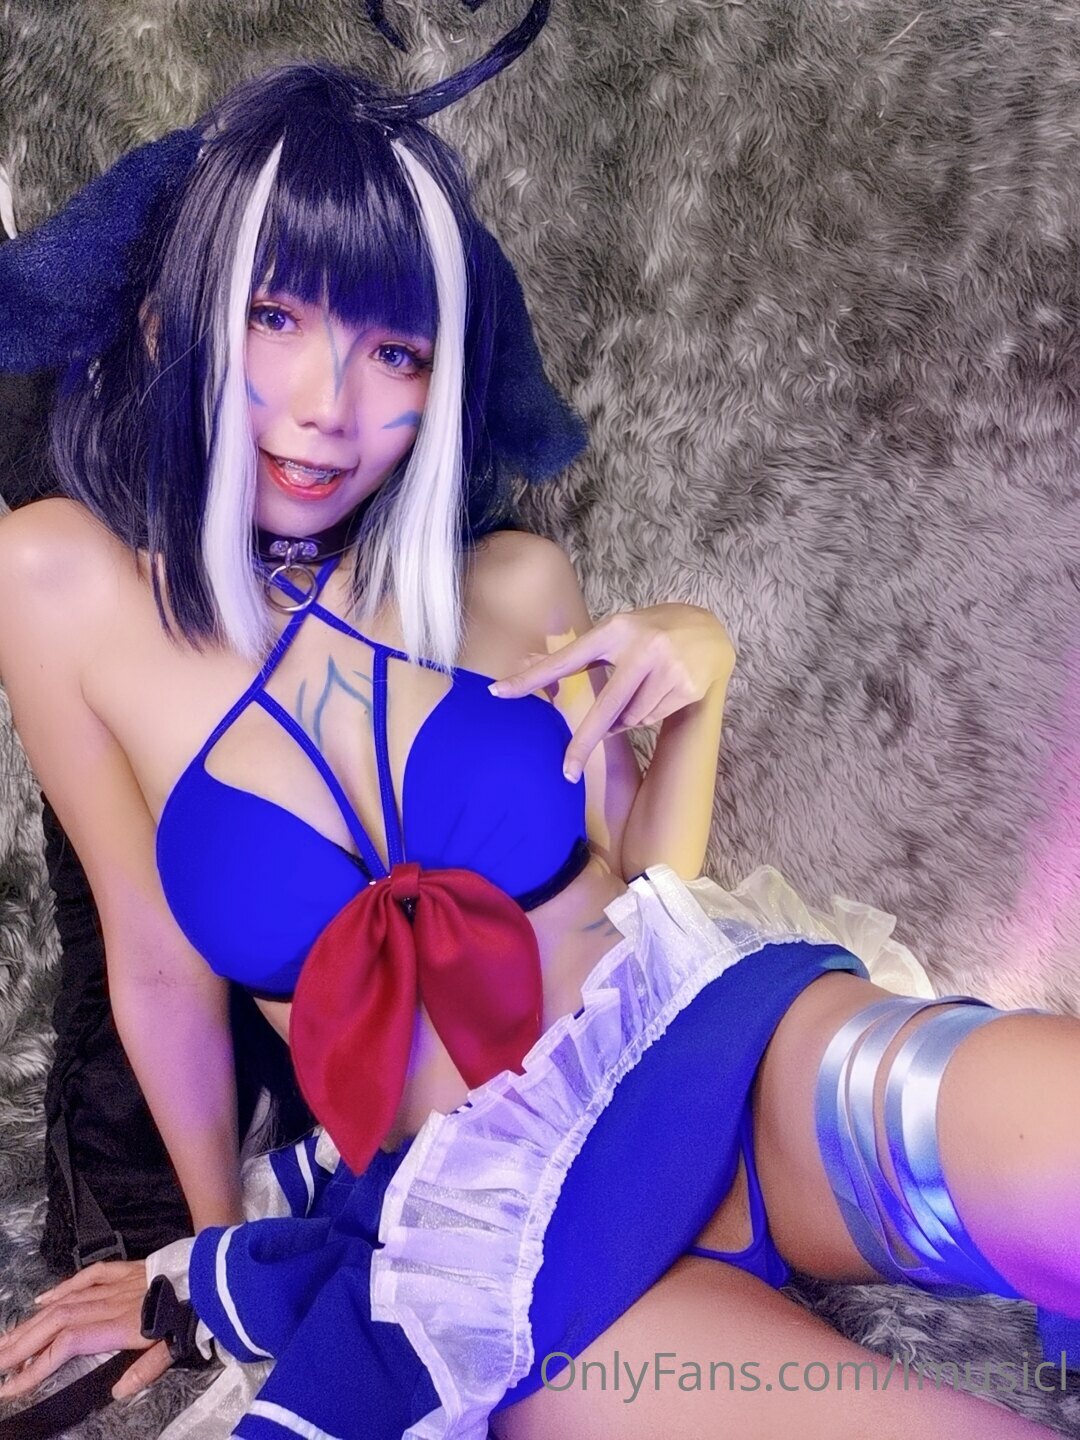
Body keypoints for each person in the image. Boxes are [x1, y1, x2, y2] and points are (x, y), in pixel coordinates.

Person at [0, 7, 1077, 1438]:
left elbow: (644, 889)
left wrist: (702, 674)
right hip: (490, 1243)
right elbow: (154, 960)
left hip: (726, 1054)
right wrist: (208, 1261)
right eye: (276, 317)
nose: (329, 408)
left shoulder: (510, 584)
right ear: (169, 318)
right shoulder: (61, 585)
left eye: (396, 350)